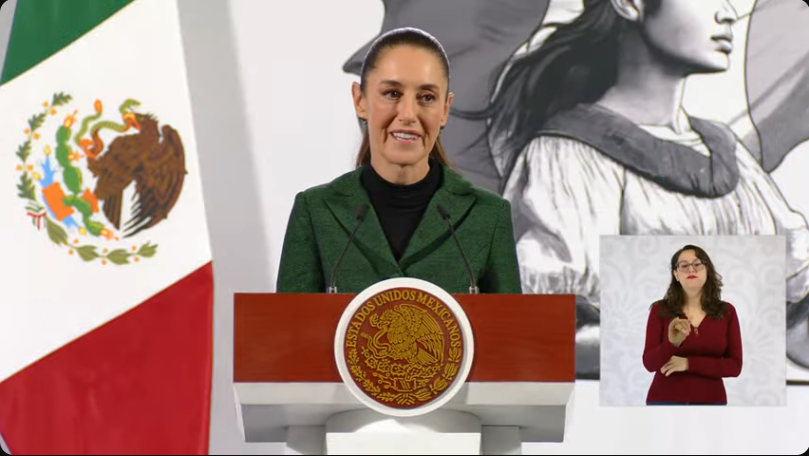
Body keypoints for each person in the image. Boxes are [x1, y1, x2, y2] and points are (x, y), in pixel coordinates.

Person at [457, 0, 809, 376]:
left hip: (744, 424)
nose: (727, 13)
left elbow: (794, 315)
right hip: (625, 422)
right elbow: (531, 333)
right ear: (630, 4)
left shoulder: (729, 154)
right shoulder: (568, 155)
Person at [275, 27, 522, 295]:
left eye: (426, 97)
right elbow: (287, 332)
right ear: (360, 100)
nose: (408, 114)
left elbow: (512, 333)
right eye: (392, 93)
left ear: (445, 110)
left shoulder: (488, 215)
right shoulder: (315, 211)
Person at [642, 245, 742, 405]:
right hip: (664, 401)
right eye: (684, 265)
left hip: (711, 403)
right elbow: (649, 364)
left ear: (707, 270)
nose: (691, 269)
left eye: (697, 264)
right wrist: (672, 343)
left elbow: (735, 366)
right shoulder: (660, 310)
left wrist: (688, 364)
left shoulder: (727, 311)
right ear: (676, 274)